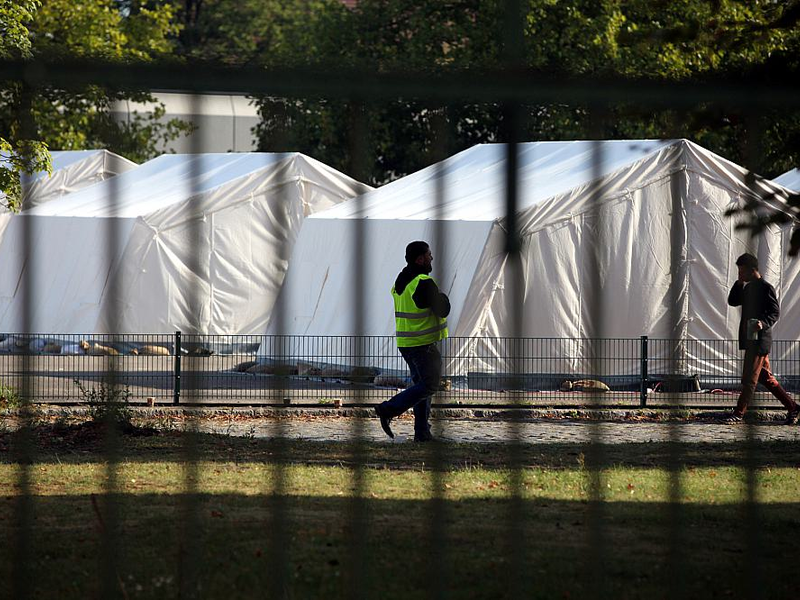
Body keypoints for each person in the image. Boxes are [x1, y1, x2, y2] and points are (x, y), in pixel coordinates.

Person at [375, 241, 450, 442]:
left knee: (421, 386)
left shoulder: (401, 280)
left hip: (407, 344)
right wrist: (442, 296)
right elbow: (442, 309)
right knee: (429, 384)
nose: (431, 258)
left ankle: (422, 432)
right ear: (420, 259)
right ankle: (388, 409)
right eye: (429, 255)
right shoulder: (423, 282)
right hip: (422, 344)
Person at [724, 253, 799, 424]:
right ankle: (793, 407)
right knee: (766, 378)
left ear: (752, 270)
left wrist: (762, 323)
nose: (740, 274)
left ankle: (739, 413)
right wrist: (739, 283)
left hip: (759, 340)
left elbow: (775, 312)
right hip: (750, 339)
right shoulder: (748, 287)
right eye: (739, 272)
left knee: (749, 379)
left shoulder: (766, 288)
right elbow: (733, 301)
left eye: (742, 272)